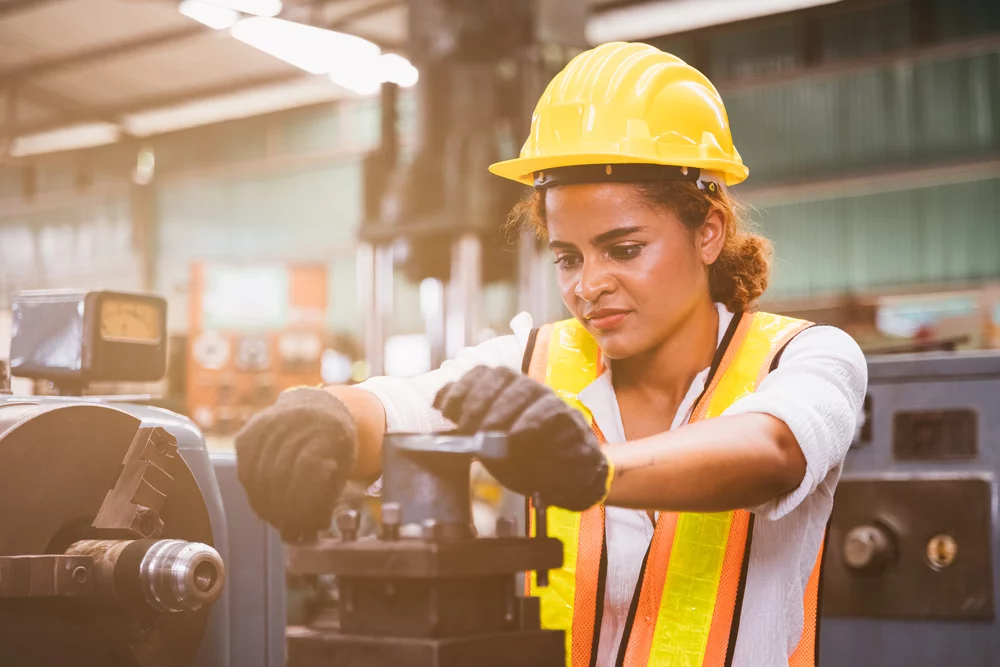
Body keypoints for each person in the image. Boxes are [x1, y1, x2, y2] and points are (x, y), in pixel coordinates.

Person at [234, 42, 867, 667]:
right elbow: (405, 407)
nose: (587, 285)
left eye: (623, 249)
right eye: (568, 257)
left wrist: (588, 466)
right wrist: (326, 418)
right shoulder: (534, 359)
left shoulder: (806, 356)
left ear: (708, 233)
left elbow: (773, 453)